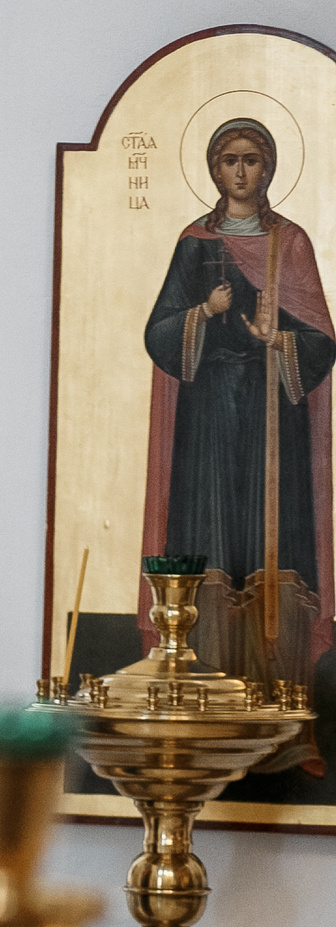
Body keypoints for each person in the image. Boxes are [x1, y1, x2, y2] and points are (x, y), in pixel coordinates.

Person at [141, 118, 336, 754]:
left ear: (270, 168)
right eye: (230, 160)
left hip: (271, 420)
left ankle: (279, 728)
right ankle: (205, 719)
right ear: (214, 170)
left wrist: (276, 338)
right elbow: (161, 334)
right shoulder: (195, 244)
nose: (242, 171)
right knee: (212, 545)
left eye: (253, 159)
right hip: (206, 419)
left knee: (271, 549)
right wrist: (207, 312)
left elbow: (321, 340)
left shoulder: (292, 243)